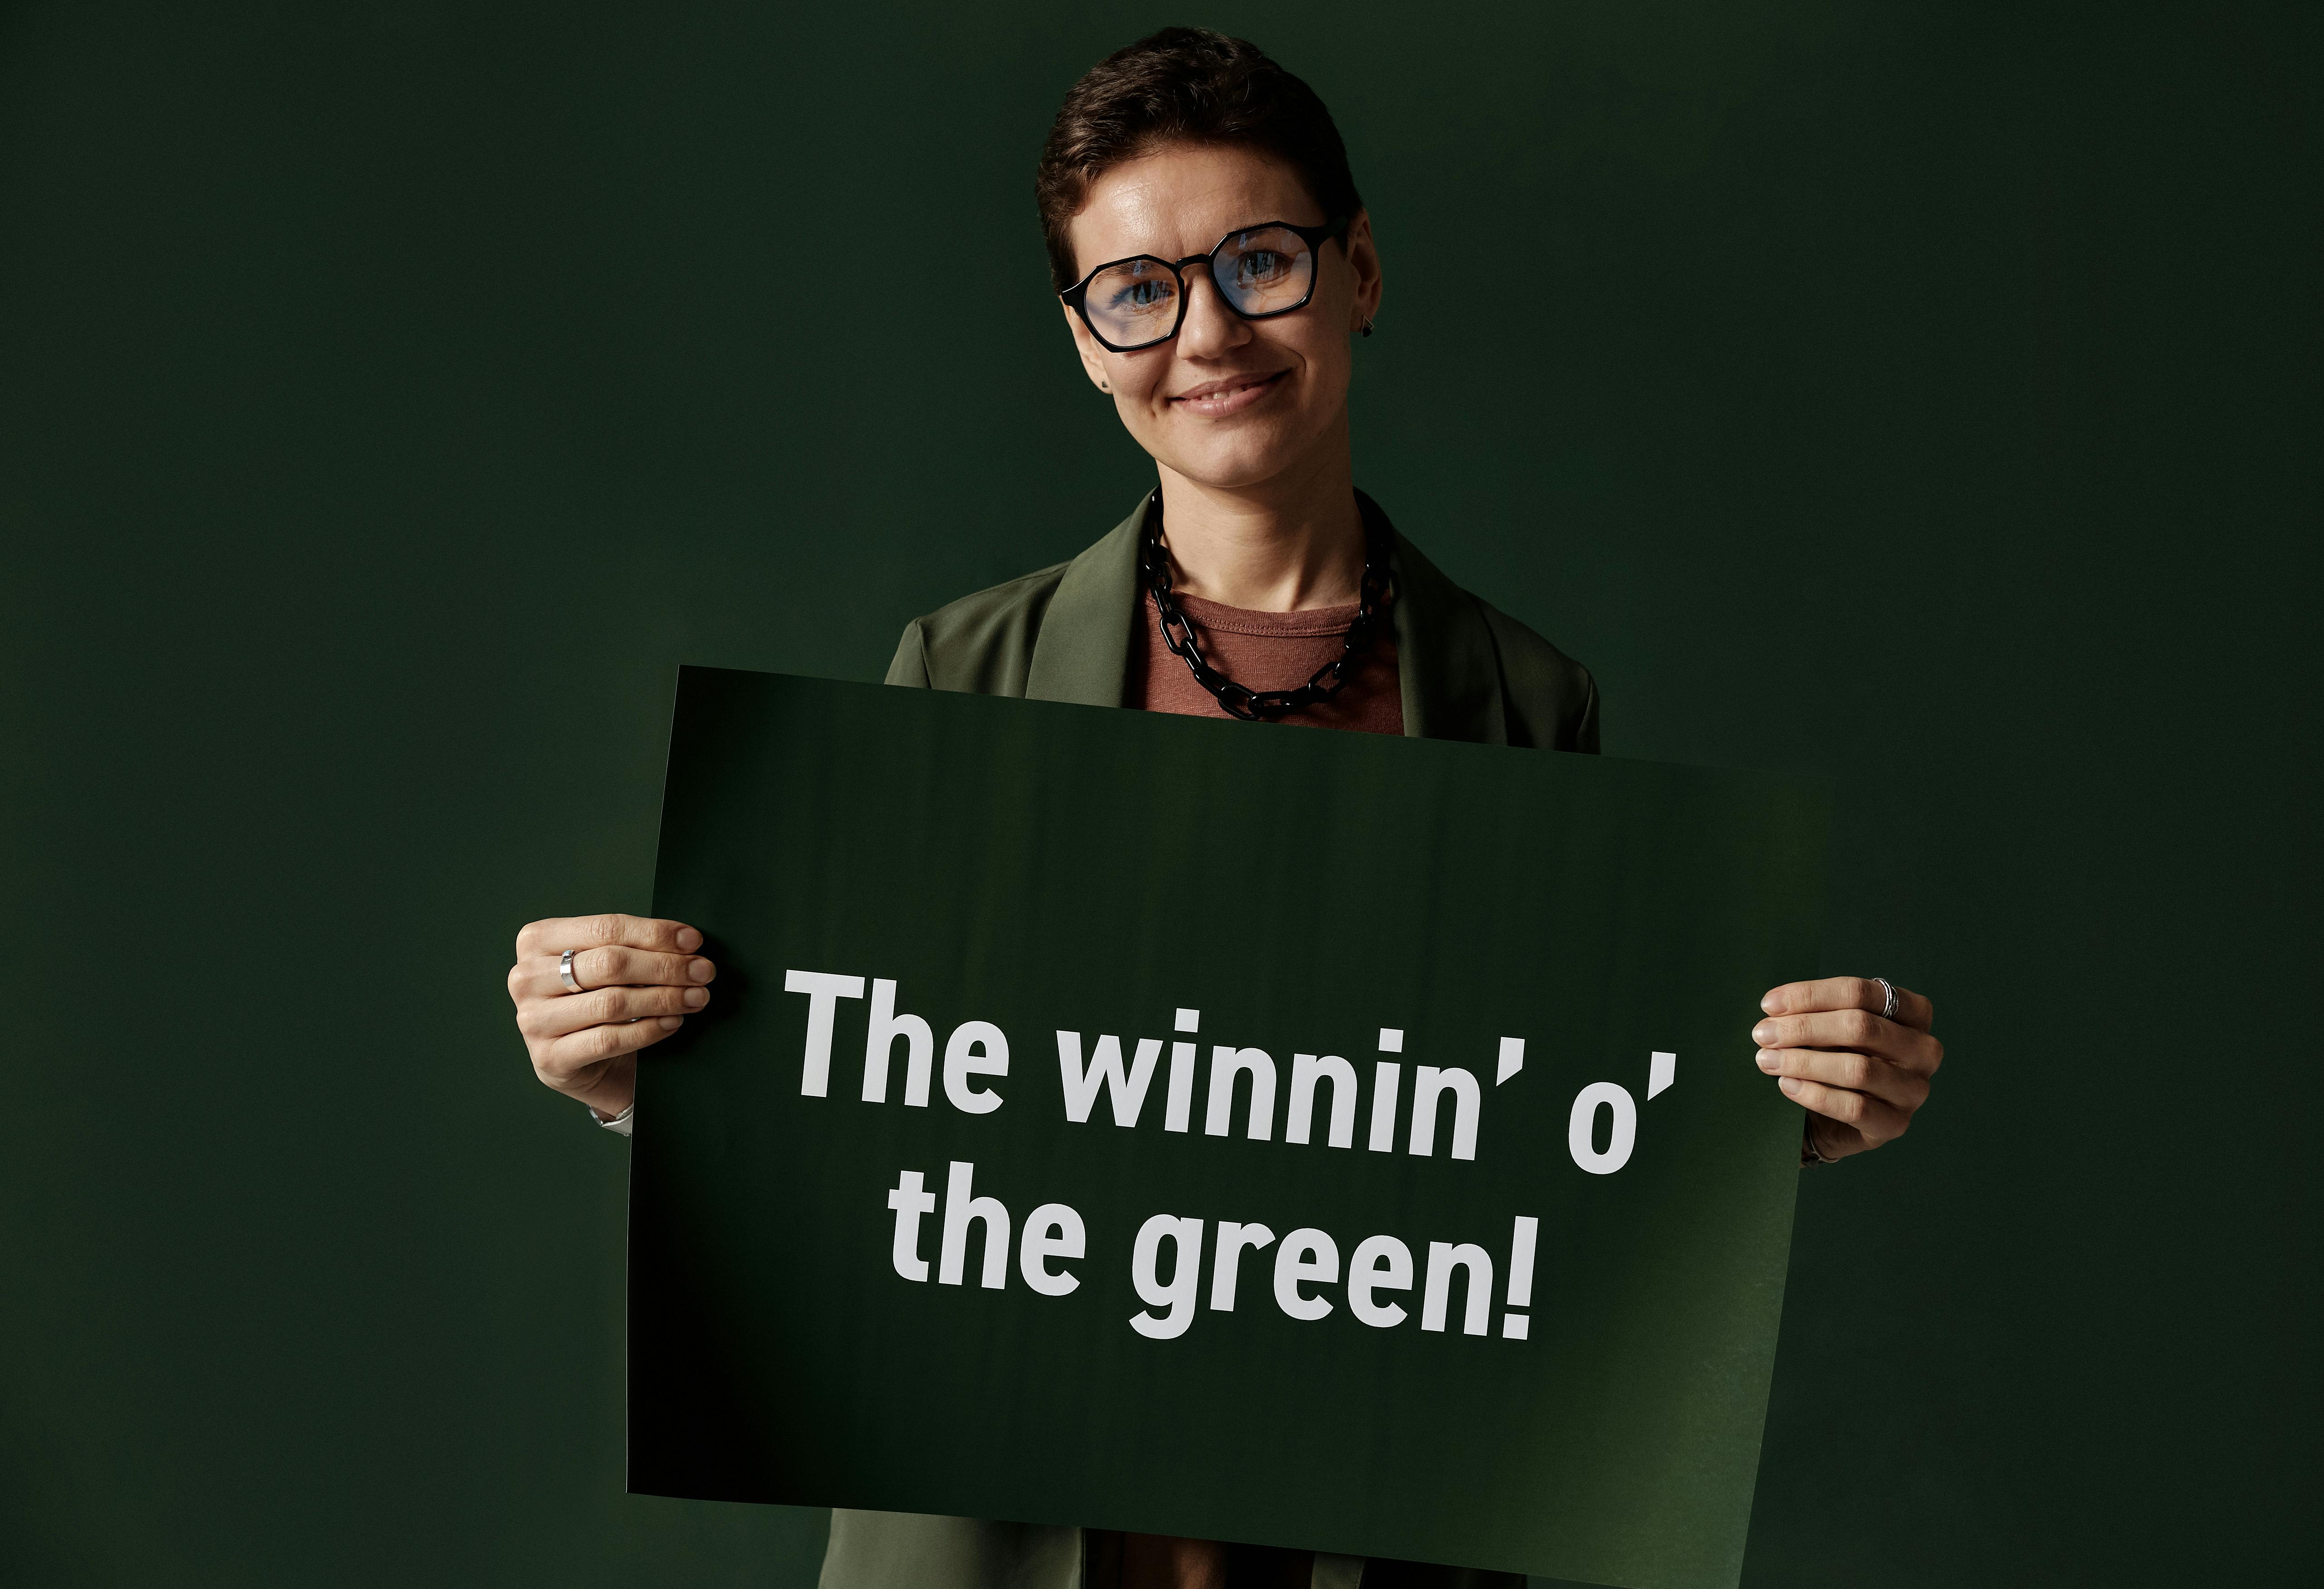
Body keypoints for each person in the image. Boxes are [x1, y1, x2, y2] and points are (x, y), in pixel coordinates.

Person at [505, 27, 1945, 1589]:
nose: (1206, 332)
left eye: (1258, 260)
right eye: (1137, 289)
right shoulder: (960, 671)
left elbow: (1532, 1154)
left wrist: (1767, 1125)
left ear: (1360, 270)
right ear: (1081, 336)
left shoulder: (1527, 702)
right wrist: (637, 1066)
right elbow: (888, 1119)